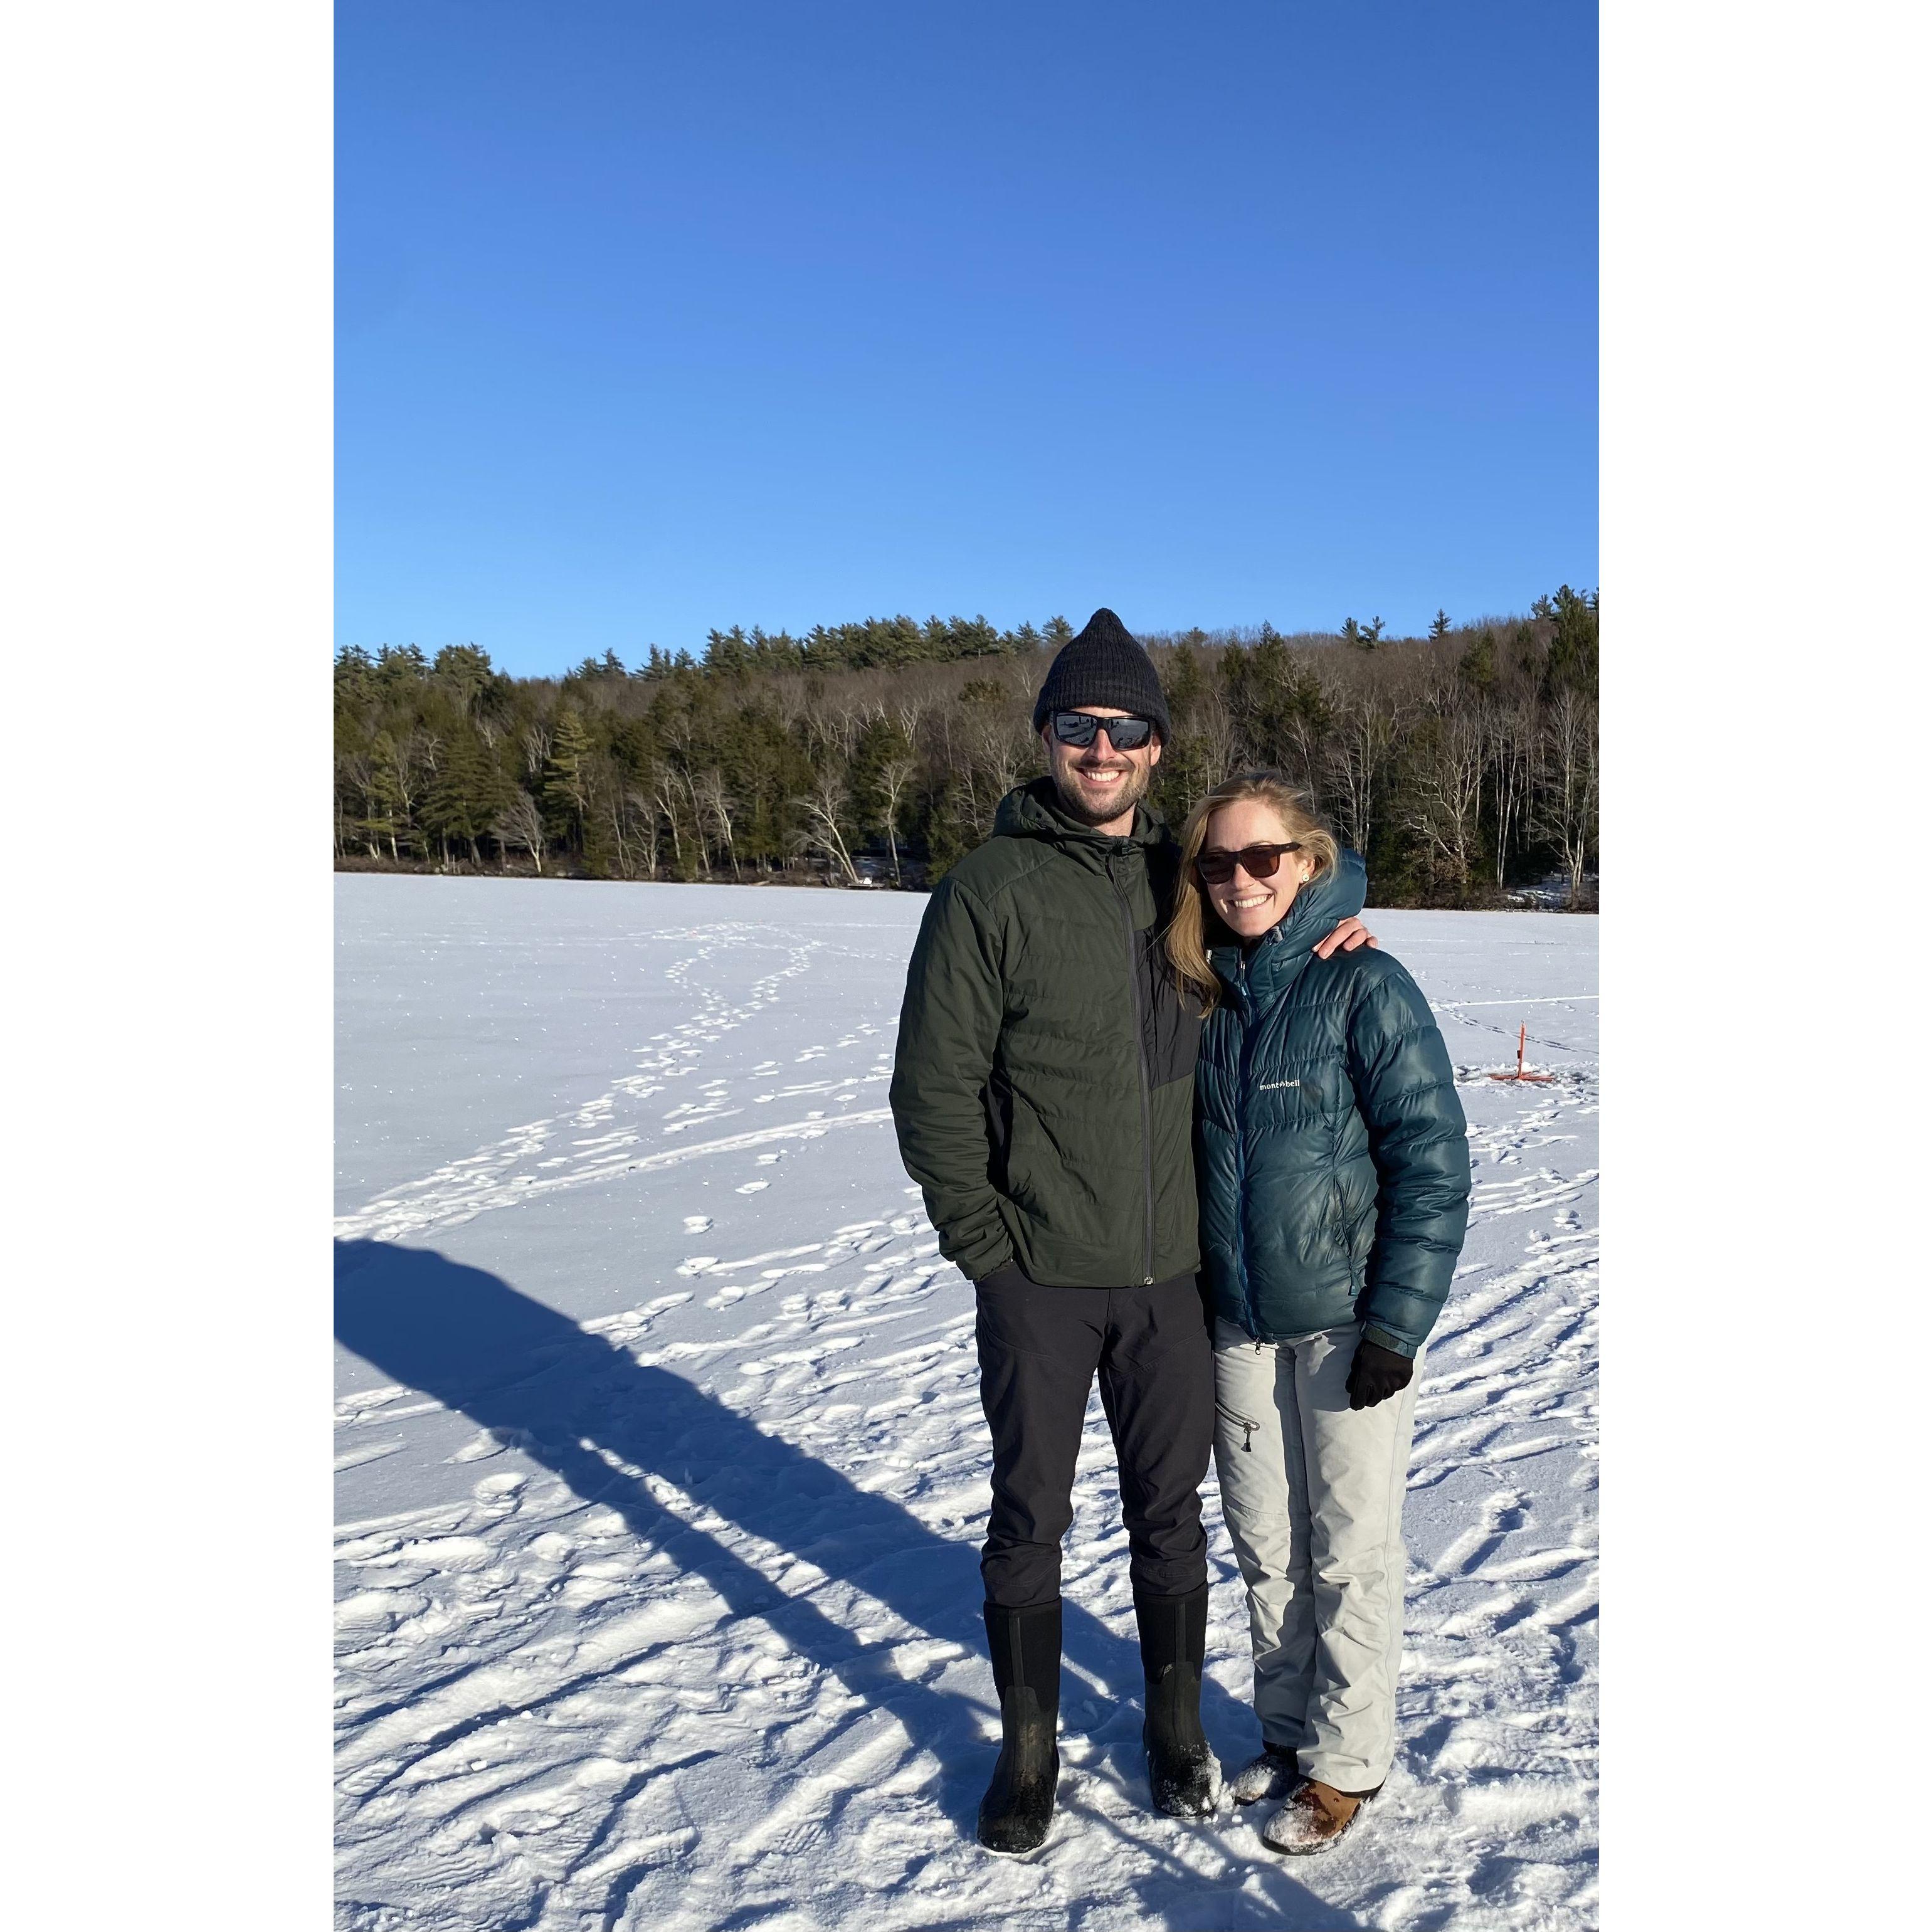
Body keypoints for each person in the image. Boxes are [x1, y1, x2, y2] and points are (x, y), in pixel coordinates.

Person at [889, 614, 1373, 1854]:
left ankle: (1172, 1731)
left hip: (1173, 1281)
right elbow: (930, 1088)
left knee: (1172, 1516)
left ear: (1156, 749)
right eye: (1076, 727)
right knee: (1026, 1520)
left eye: (1123, 730)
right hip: (1040, 1278)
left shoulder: (1184, 881)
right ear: (1047, 738)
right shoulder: (985, 892)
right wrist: (985, 1246)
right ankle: (1027, 1748)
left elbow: (1296, 872)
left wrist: (1345, 914)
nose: (1099, 748)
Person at [1165, 769, 1471, 1855]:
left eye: (1261, 858)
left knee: (1350, 1552)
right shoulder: (1204, 993)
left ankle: (1347, 1763)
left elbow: (1431, 1161)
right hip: (1240, 1324)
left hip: (1345, 1324)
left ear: (1308, 861)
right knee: (1266, 1550)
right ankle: (1289, 1734)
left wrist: (1396, 1320)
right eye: (1217, 862)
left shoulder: (1366, 983)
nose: (1239, 879)